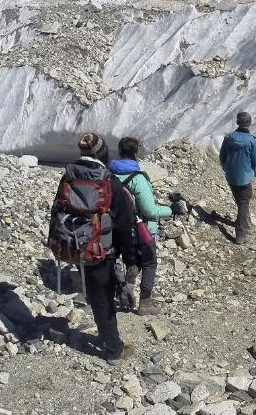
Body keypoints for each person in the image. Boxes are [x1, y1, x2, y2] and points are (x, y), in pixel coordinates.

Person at [57, 133, 137, 362]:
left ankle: (105, 335)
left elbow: (59, 210)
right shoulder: (109, 182)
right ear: (102, 152)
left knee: (96, 295)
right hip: (102, 250)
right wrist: (130, 258)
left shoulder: (69, 177)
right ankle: (113, 348)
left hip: (75, 244)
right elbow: (124, 223)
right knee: (104, 298)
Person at [109, 137, 187, 316]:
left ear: (120, 152)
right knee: (150, 262)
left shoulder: (109, 175)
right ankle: (145, 302)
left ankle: (125, 286)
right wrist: (172, 210)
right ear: (136, 154)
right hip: (140, 229)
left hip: (118, 229)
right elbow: (150, 210)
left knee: (133, 260)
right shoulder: (137, 179)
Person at [219, 111, 256, 244]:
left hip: (231, 176)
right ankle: (241, 232)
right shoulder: (252, 140)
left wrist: (227, 169)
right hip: (244, 177)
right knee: (244, 203)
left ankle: (243, 221)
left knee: (240, 200)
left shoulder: (228, 138)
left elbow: (222, 157)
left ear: (238, 123)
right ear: (249, 123)